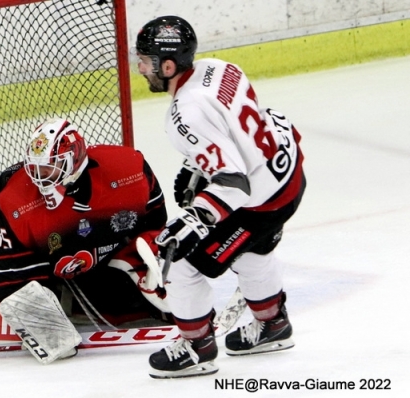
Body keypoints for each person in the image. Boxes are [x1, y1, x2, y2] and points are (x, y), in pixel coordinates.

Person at [135, 16, 306, 378]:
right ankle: (273, 325)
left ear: (167, 66)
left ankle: (196, 347)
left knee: (180, 257)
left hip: (263, 198)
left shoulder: (183, 113)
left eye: (146, 61)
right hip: (288, 173)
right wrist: (199, 167)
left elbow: (232, 183)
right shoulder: (218, 67)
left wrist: (194, 221)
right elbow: (234, 127)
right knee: (252, 246)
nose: (140, 68)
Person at [0, 117, 170, 363]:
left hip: (79, 250)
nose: (40, 175)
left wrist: (143, 260)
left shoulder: (130, 170)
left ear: (75, 160)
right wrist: (47, 326)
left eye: (49, 166)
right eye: (34, 167)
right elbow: (11, 281)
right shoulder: (16, 204)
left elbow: (156, 224)